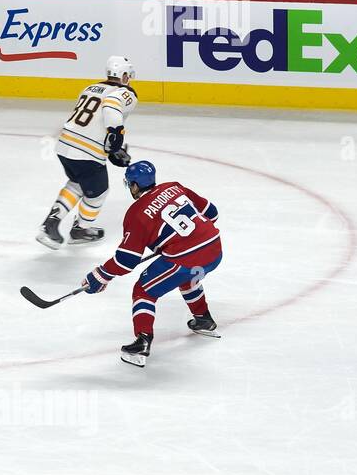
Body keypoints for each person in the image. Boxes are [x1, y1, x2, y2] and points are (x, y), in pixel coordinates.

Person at [83, 160, 222, 366]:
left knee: (144, 291)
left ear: (135, 186)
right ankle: (203, 319)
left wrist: (100, 275)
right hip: (214, 249)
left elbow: (126, 261)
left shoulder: (136, 214)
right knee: (186, 276)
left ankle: (142, 342)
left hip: (185, 258)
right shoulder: (174, 187)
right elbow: (213, 213)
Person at [36, 56, 137, 250]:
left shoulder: (90, 88)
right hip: (87, 151)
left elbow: (92, 120)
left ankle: (51, 222)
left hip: (65, 145)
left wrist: (112, 147)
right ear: (124, 75)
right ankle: (80, 229)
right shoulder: (125, 92)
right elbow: (111, 107)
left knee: (77, 184)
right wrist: (115, 138)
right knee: (99, 191)